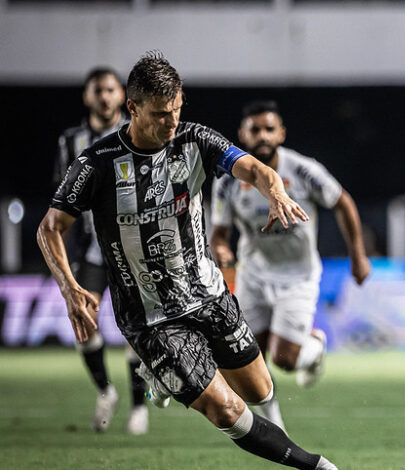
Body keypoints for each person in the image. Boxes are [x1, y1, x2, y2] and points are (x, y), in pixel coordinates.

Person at [39, 52, 337, 470]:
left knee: (260, 388)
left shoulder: (194, 140)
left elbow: (256, 168)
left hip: (210, 296)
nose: (171, 123)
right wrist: (71, 290)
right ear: (133, 108)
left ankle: (163, 376)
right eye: (161, 115)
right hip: (152, 316)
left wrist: (276, 191)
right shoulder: (97, 163)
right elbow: (49, 228)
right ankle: (320, 467)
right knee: (228, 411)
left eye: (177, 110)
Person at [210, 100, 371, 431]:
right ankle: (274, 426)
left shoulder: (302, 170)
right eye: (255, 130)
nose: (263, 136)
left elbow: (343, 203)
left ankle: (314, 346)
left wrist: (358, 255)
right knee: (247, 360)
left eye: (269, 129)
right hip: (253, 276)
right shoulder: (226, 181)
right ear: (242, 134)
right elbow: (220, 233)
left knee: (284, 359)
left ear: (281, 133)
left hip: (298, 276)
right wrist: (222, 251)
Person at [53, 67, 149, 434]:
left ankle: (139, 407)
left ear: (121, 95)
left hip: (131, 248)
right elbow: (60, 199)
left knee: (134, 330)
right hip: (92, 250)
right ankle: (106, 391)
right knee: (83, 321)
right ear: (87, 96)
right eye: (98, 90)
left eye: (110, 90)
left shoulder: (135, 132)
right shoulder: (70, 141)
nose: (105, 97)